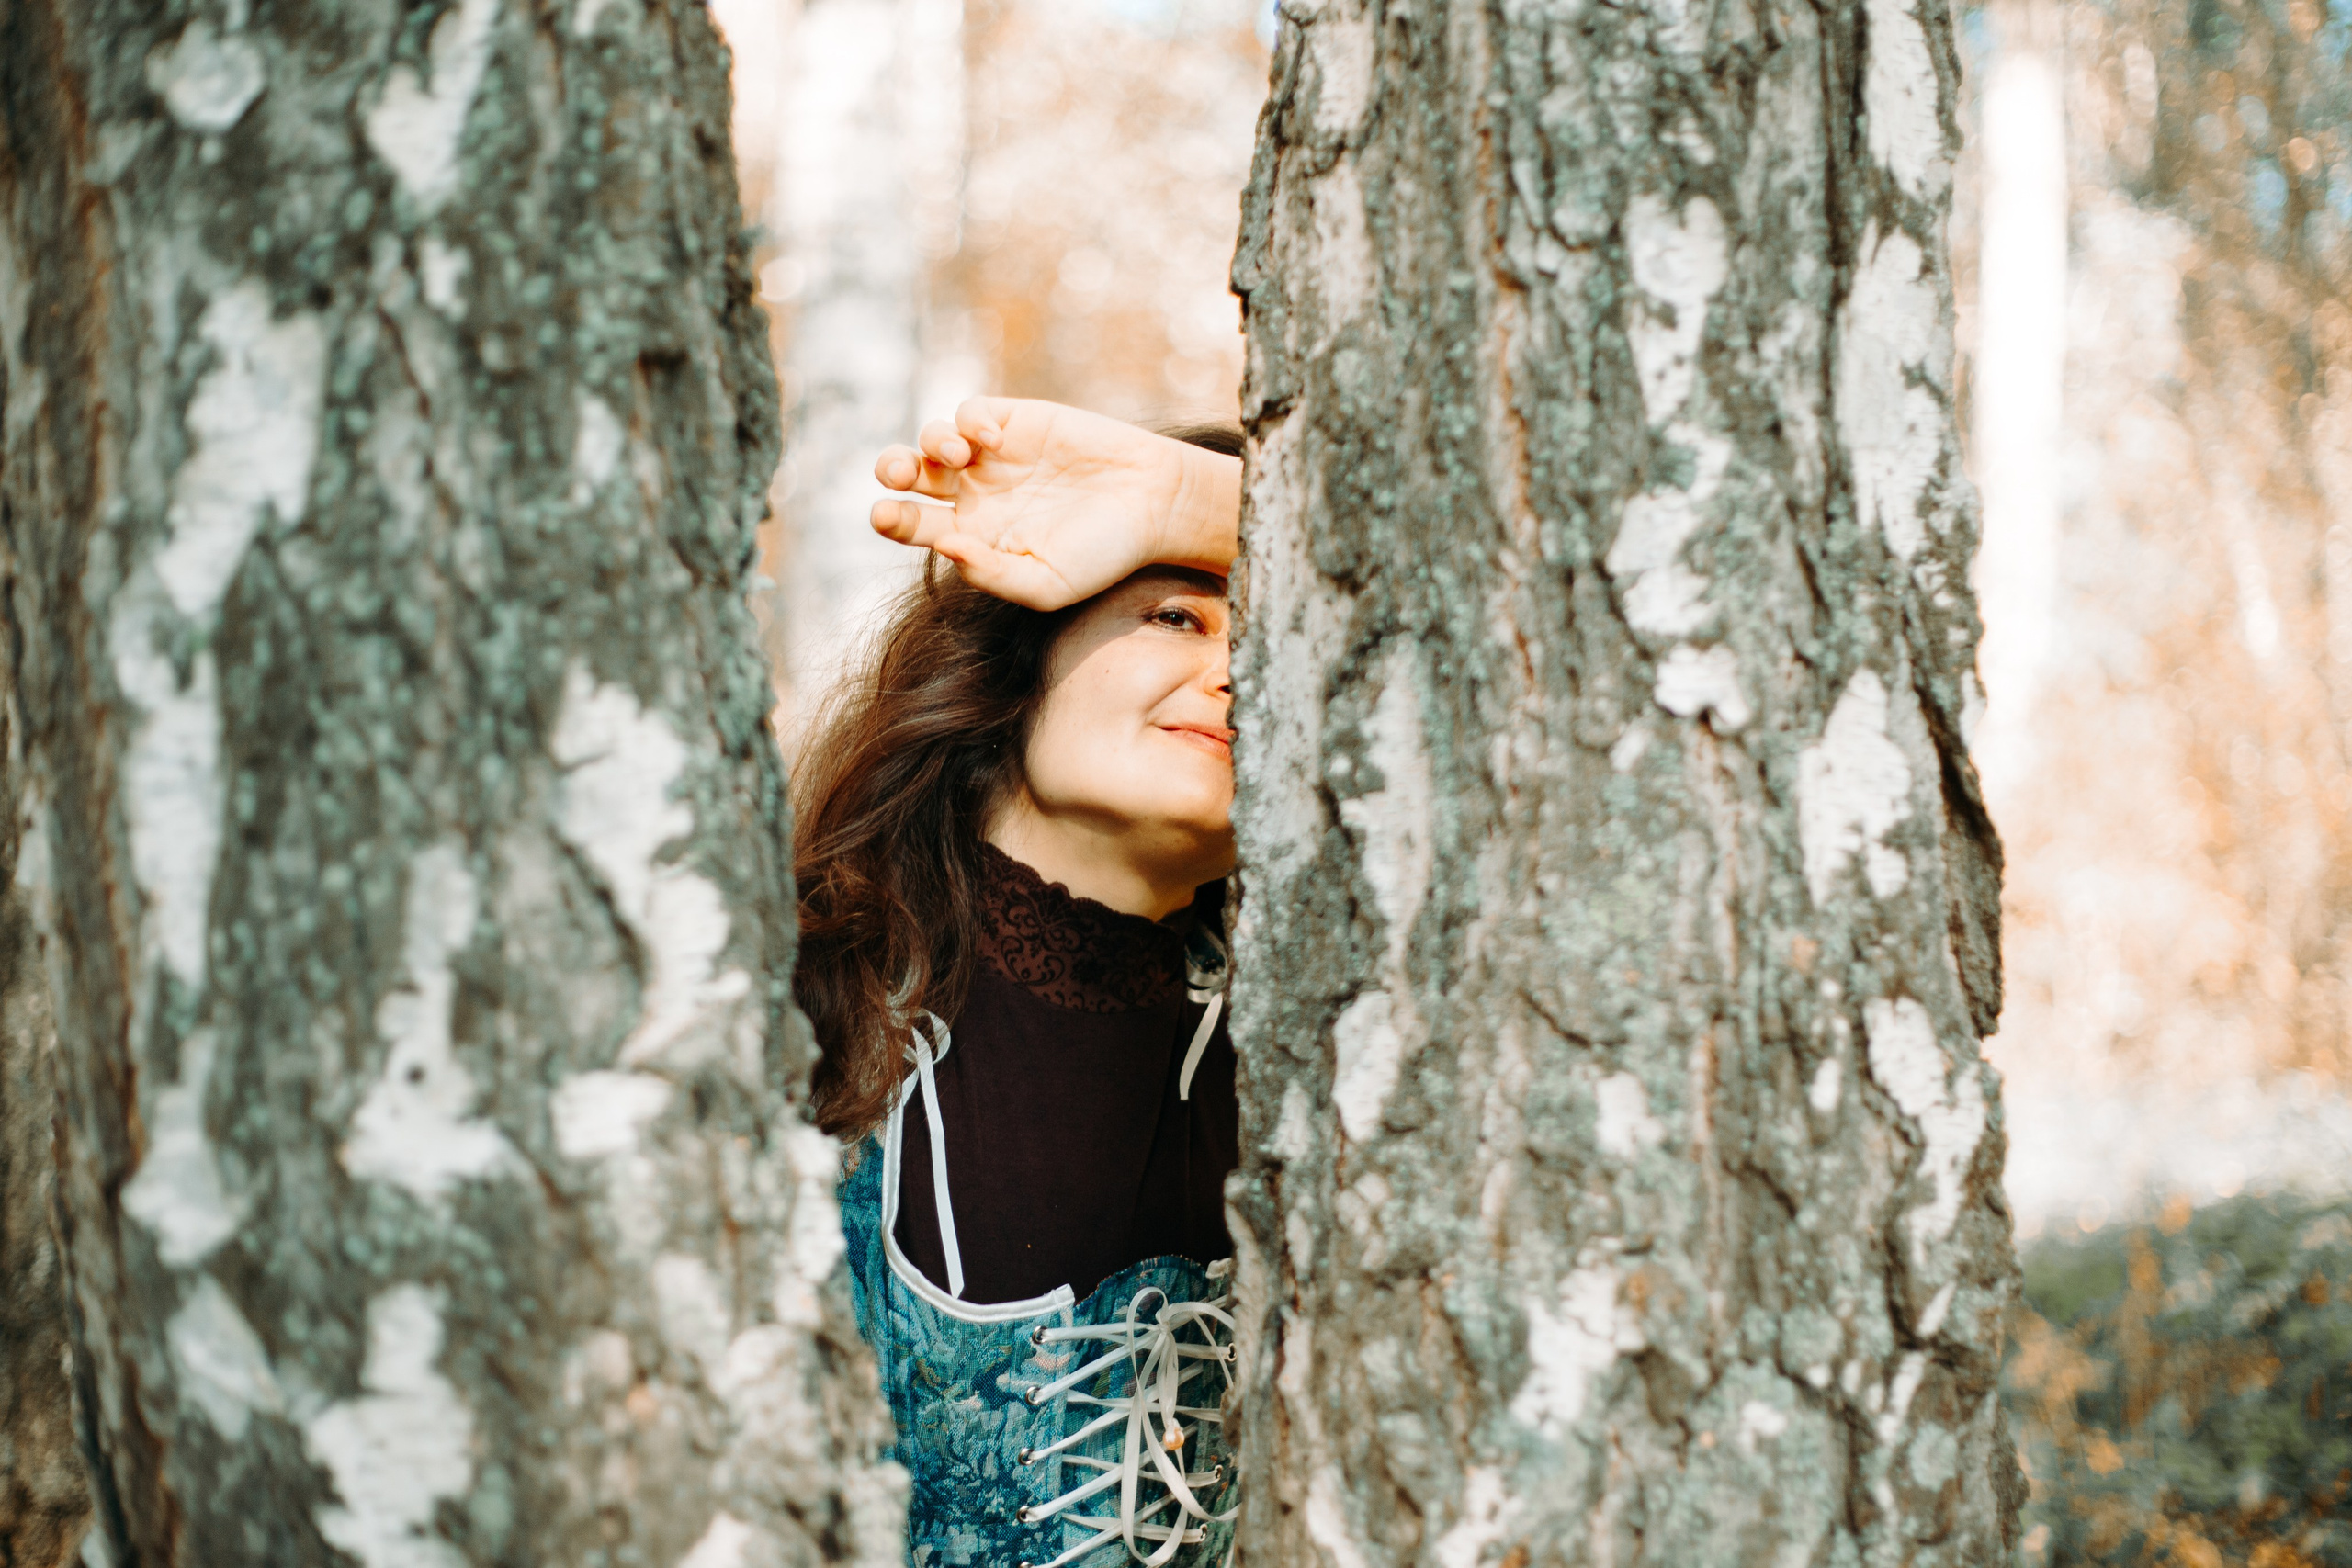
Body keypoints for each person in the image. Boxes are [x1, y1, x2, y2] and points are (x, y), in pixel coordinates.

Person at [793, 399, 1247, 1568]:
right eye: (1175, 614)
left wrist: (1193, 505)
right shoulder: (787, 995)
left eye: (1280, 633)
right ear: (1018, 657)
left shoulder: (1339, 1061)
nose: (1235, 673)